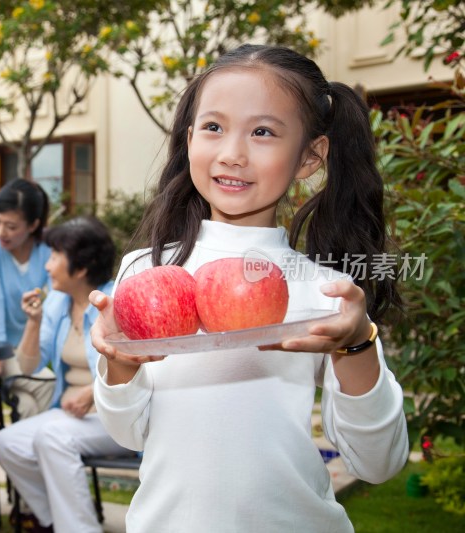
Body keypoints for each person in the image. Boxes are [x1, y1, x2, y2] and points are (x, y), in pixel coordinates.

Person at [89, 44, 409, 532]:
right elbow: (128, 432)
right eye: (214, 127)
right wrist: (120, 363)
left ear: (309, 156)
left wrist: (357, 344)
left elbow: (378, 464)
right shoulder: (145, 271)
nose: (232, 154)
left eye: (262, 132)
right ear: (190, 137)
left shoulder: (326, 290)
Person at [0, 216, 130, 533]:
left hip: (116, 418)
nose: (47, 265)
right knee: (6, 443)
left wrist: (93, 392)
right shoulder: (56, 303)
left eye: (55, 257)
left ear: (80, 268)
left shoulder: (117, 303)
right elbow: (28, 366)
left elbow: (142, 367)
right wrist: (34, 321)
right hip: (70, 417)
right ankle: (56, 521)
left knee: (51, 438)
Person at [0, 179, 55, 419]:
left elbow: (55, 301)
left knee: (28, 405)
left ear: (33, 225)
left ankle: (21, 452)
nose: (0, 231)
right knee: (50, 385)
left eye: (11, 226)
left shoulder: (48, 246)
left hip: (30, 346)